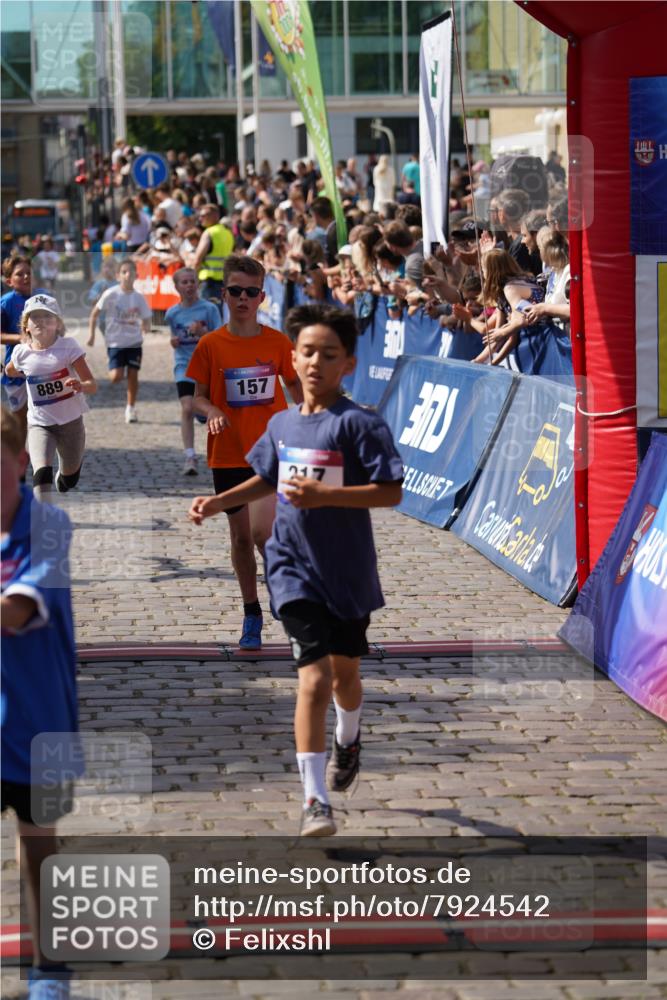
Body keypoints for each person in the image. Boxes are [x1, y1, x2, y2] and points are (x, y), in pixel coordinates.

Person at [188, 304, 403, 836]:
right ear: (293, 356)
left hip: (347, 570)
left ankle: (348, 738)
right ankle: (314, 799)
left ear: (347, 364)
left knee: (346, 676)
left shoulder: (359, 424)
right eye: (306, 352)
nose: (315, 363)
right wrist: (219, 503)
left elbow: (392, 491)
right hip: (292, 567)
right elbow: (266, 476)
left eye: (328, 355)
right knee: (314, 679)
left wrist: (329, 494)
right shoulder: (282, 424)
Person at [1, 404, 82, 998]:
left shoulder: (49, 525)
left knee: (39, 844)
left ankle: (49, 966)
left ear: (21, 464)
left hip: (37, 719)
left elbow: (16, 612)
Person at [185, 254, 302, 650]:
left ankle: (279, 589)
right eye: (235, 291)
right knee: (239, 540)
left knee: (262, 533)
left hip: (269, 455)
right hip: (227, 454)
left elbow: (297, 389)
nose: (243, 298)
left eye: (251, 292)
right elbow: (196, 400)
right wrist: (213, 410)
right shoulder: (210, 345)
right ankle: (251, 611)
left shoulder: (278, 343)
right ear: (224, 294)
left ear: (262, 297)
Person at [5, 294, 97, 501]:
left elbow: (92, 385)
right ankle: (42, 517)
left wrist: (80, 385)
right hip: (40, 424)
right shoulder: (21, 352)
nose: (41, 322)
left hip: (71, 423)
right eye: (35, 317)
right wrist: (10, 371)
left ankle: (66, 476)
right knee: (41, 471)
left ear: (57, 324)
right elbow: (11, 370)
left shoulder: (69, 347)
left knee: (69, 478)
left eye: (47, 317)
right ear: (26, 325)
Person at [165, 268, 220, 475]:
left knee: (203, 412)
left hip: (207, 366)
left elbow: (219, 338)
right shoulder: (172, 313)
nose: (188, 285)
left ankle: (202, 414)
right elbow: (174, 337)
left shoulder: (210, 309)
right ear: (177, 287)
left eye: (192, 281)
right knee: (187, 407)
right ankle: (190, 456)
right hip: (184, 365)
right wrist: (173, 341)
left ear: (198, 284)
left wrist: (203, 332)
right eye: (184, 282)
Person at [87, 259, 151, 423]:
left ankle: (130, 408)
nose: (128, 275)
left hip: (134, 342)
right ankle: (113, 363)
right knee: (116, 377)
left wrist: (146, 327)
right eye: (124, 271)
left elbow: (146, 318)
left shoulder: (139, 298)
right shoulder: (111, 294)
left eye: (131, 271)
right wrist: (92, 335)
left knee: (133, 374)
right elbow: (95, 313)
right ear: (118, 276)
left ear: (136, 275)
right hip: (115, 342)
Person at [186, 203, 235, 312]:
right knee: (217, 313)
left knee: (206, 316)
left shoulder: (209, 233)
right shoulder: (228, 233)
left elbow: (197, 259)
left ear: (214, 216)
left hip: (209, 281)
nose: (200, 219)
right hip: (223, 281)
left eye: (203, 216)